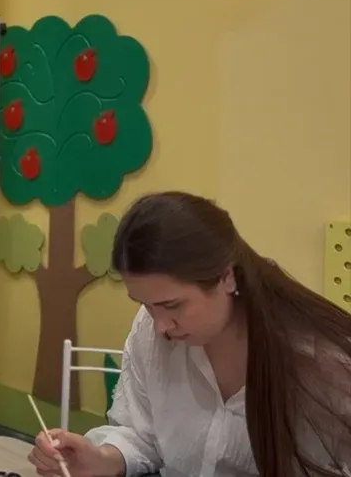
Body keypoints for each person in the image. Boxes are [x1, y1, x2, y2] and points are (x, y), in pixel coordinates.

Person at [27, 191, 351, 477]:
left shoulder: (319, 360)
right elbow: (142, 434)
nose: (160, 326)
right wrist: (100, 459)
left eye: (173, 305)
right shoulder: (150, 329)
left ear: (226, 277)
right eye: (145, 305)